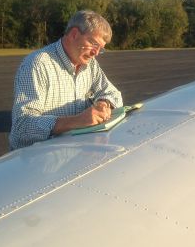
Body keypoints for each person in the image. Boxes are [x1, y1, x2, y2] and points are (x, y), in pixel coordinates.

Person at [9, 10, 123, 150]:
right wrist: (77, 121)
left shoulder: (90, 64)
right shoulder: (37, 64)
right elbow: (23, 126)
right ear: (74, 34)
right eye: (94, 44)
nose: (96, 53)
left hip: (73, 153)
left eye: (101, 49)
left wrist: (103, 104)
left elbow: (113, 93)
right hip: (35, 159)